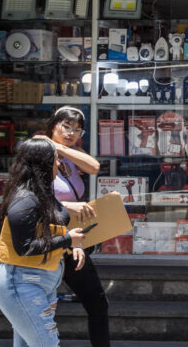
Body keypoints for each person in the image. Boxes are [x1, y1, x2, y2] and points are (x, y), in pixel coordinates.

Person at [0, 138, 87, 347]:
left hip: (41, 281)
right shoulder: (25, 199)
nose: (59, 164)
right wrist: (68, 239)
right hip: (21, 282)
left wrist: (73, 244)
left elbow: (49, 230)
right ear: (44, 162)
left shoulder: (43, 194)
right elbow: (25, 247)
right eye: (56, 159)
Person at [36, 106, 109, 346]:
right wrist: (69, 206)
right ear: (52, 125)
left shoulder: (68, 153)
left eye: (76, 130)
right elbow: (31, 198)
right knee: (40, 307)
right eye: (65, 127)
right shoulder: (37, 152)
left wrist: (58, 147)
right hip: (46, 242)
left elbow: (94, 167)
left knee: (97, 303)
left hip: (73, 242)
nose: (70, 133)